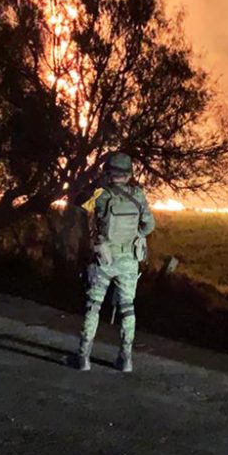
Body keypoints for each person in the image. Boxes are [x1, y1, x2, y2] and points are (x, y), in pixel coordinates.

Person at [72, 152, 156, 373]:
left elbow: (77, 204)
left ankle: (83, 358)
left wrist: (96, 183)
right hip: (129, 260)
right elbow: (149, 226)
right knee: (128, 308)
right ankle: (126, 359)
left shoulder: (100, 195)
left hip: (104, 259)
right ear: (129, 174)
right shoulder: (138, 195)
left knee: (93, 305)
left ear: (109, 172)